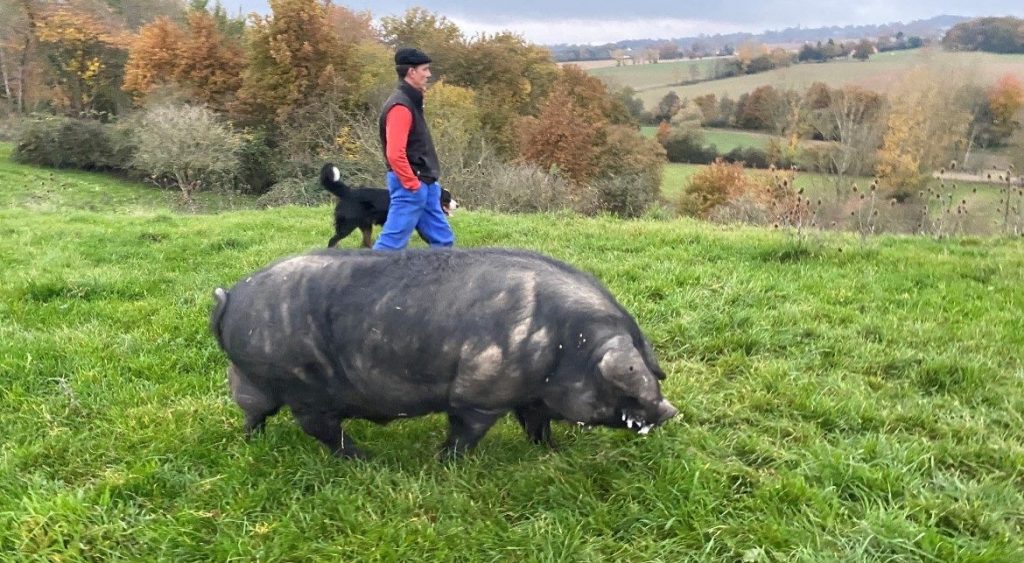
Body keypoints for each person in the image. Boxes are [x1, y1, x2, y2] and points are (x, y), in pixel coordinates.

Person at [372, 47, 455, 251]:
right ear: (411, 72)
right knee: (391, 245)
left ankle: (438, 282)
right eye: (425, 69)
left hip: (425, 185)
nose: (428, 74)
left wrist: (425, 187)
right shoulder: (400, 106)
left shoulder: (411, 101)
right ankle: (365, 281)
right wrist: (412, 185)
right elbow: (394, 153)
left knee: (443, 241)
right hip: (411, 185)